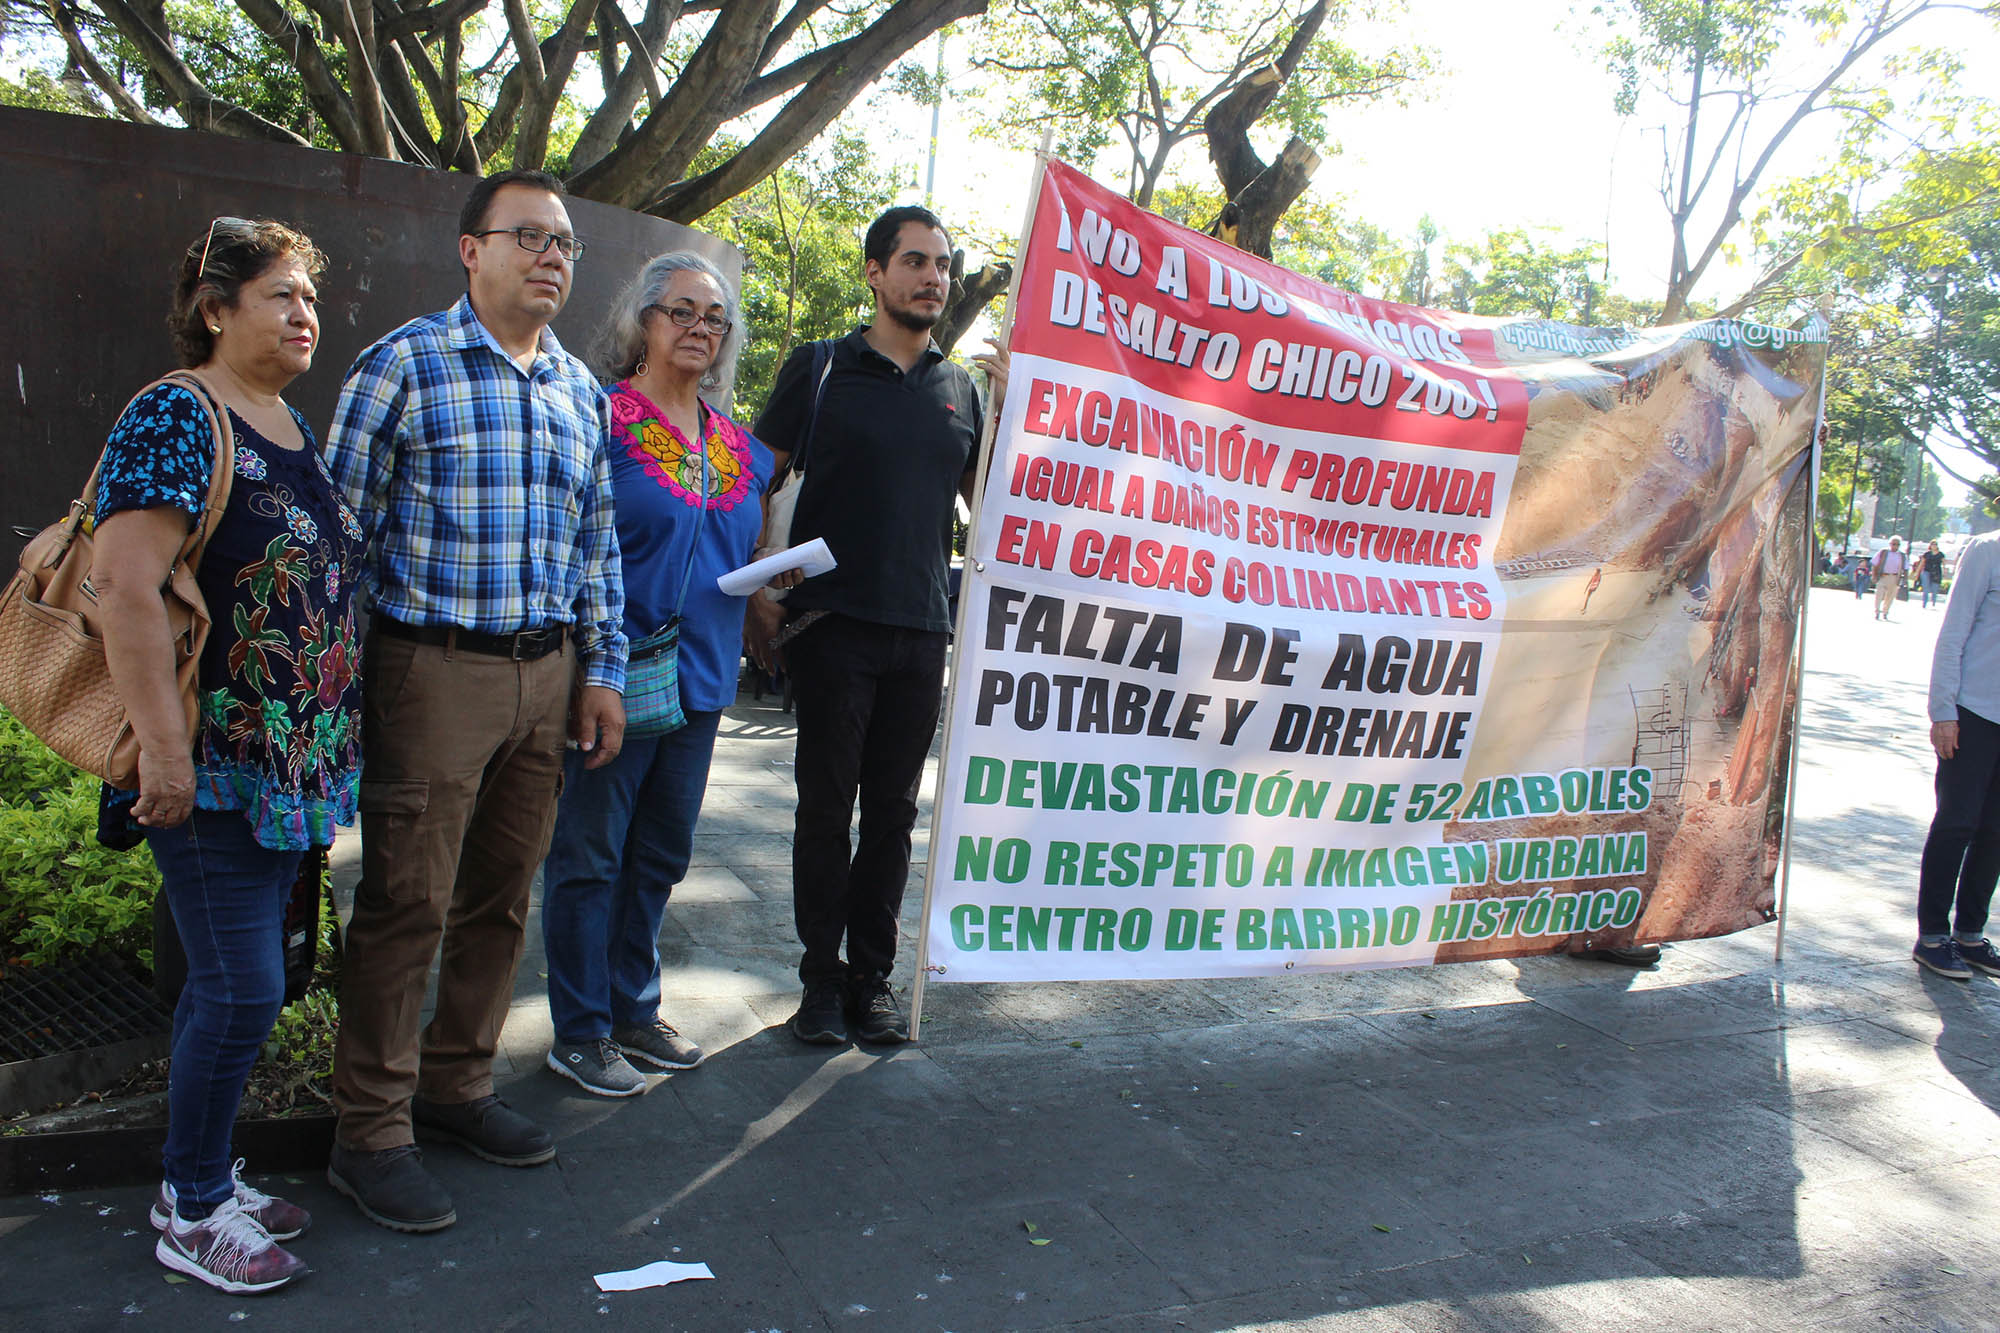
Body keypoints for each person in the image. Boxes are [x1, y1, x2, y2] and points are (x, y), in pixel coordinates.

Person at [324, 170, 627, 1232]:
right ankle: (369, 1129)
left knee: (501, 897)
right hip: (431, 669)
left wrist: (600, 672)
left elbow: (597, 549)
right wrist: (334, 692)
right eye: (529, 237)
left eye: (565, 245)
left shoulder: (579, 390)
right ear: (471, 250)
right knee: (406, 898)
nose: (551, 256)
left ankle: (454, 1087)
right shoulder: (402, 366)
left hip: (546, 678)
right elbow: (338, 542)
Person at [92, 218, 358, 1292]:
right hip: (213, 767)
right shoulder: (176, 411)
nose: (304, 316)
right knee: (242, 989)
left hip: (287, 769)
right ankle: (192, 1207)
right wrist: (164, 753)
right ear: (215, 306)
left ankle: (197, 1175)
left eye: (309, 299)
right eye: (280, 296)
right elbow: (125, 586)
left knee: (248, 984)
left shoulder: (285, 420)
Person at [746, 204, 1003, 1046]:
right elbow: (753, 479)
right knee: (825, 810)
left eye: (944, 265)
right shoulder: (820, 368)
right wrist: (755, 590)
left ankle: (873, 981)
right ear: (875, 273)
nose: (935, 277)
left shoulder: (960, 388)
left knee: (894, 815)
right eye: (917, 261)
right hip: (829, 625)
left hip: (923, 631)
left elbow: (992, 508)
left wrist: (1007, 413)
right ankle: (820, 985)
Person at [539, 252, 777, 1096]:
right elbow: (566, 543)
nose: (699, 329)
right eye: (682, 311)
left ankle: (632, 1006)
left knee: (660, 855)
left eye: (714, 318)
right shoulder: (598, 419)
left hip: (704, 679)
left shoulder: (740, 447)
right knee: (590, 853)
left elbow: (740, 548)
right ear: (642, 320)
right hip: (613, 672)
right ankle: (580, 1028)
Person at [1914, 529, 2000, 980]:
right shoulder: (1988, 550)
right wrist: (1943, 710)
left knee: (1995, 832)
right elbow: (1953, 633)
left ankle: (1970, 935)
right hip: (1974, 713)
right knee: (1956, 823)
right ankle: (1931, 937)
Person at [1873, 537, 1907, 619]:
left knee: (1890, 597)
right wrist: (1874, 575)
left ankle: (1885, 612)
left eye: (1897, 544)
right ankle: (1877, 611)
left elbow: (1905, 568)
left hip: (1894, 577)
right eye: (1893, 544)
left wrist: (1904, 580)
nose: (1895, 546)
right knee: (1879, 594)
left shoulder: (1902, 556)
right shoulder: (1883, 552)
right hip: (1883, 576)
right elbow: (1875, 564)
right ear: (1890, 544)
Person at [1920, 540, 1945, 609]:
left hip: (1936, 573)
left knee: (1935, 588)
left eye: (1935, 544)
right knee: (1926, 588)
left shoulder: (1941, 554)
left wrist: (1944, 572)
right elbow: (1922, 563)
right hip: (1926, 571)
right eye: (1932, 544)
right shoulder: (1927, 554)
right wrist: (1917, 572)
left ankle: (1933, 602)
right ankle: (1924, 603)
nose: (1934, 546)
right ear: (1930, 546)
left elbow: (1944, 564)